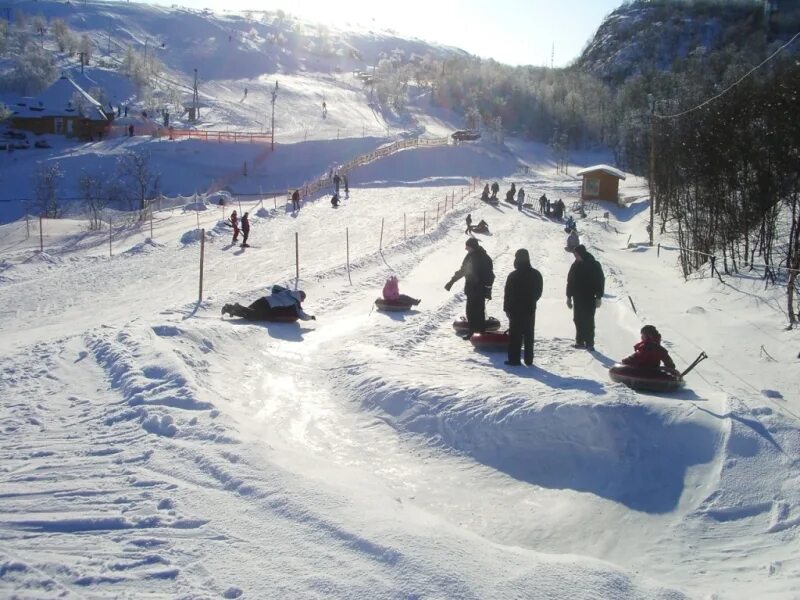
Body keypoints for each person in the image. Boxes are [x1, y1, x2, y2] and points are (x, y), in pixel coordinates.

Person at [444, 237, 495, 340]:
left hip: (480, 289)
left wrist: (488, 290)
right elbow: (463, 270)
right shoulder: (469, 256)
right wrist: (452, 281)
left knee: (479, 310)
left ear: (473, 247)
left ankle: (481, 331)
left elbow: (490, 276)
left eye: (467, 247)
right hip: (471, 288)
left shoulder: (485, 258)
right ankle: (471, 331)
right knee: (470, 311)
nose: (466, 249)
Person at [503, 248, 543, 366]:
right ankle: (528, 359)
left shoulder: (513, 275)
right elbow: (539, 292)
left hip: (515, 309)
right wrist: (532, 300)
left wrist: (506, 308)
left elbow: (508, 293)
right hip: (530, 308)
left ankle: (514, 360)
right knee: (529, 334)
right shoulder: (536, 274)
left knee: (515, 335)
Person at [566, 244, 605, 351]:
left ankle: (589, 343)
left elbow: (600, 280)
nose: (576, 257)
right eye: (575, 255)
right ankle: (580, 341)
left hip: (589, 297)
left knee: (588, 320)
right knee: (577, 319)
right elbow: (570, 281)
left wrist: (599, 296)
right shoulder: (575, 265)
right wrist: (568, 297)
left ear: (582, 253)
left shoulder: (594, 264)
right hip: (577, 298)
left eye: (577, 255)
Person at [221, 285, 316, 321]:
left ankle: (229, 308)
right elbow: (301, 315)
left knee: (248, 313)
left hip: (263, 300)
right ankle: (237, 307)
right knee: (253, 316)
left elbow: (274, 288)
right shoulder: (295, 302)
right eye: (303, 299)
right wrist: (311, 317)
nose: (302, 301)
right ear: (301, 297)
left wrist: (285, 290)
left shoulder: (287, 292)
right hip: (268, 306)